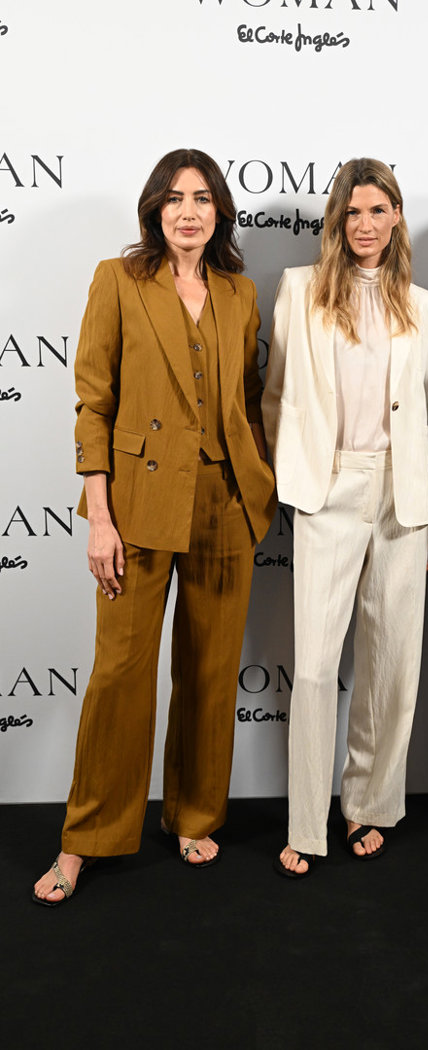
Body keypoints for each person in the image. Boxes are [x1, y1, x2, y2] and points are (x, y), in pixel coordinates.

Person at [33, 148, 276, 905]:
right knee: (120, 673)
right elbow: (94, 404)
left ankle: (194, 815)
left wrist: (259, 488)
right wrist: (99, 518)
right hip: (136, 506)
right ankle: (86, 839)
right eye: (174, 198)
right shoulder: (118, 279)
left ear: (219, 211)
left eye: (201, 198)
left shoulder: (240, 292)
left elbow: (250, 399)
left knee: (211, 670)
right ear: (154, 210)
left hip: (225, 504)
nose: (188, 212)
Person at [262, 158, 428, 878]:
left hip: (404, 493)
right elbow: (277, 394)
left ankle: (368, 805)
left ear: (396, 216)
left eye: (378, 210)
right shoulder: (301, 289)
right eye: (353, 212)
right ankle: (305, 823)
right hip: (329, 487)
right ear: (337, 221)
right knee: (315, 666)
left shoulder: (424, 306)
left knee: (392, 661)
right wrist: (290, 479)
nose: (366, 225)